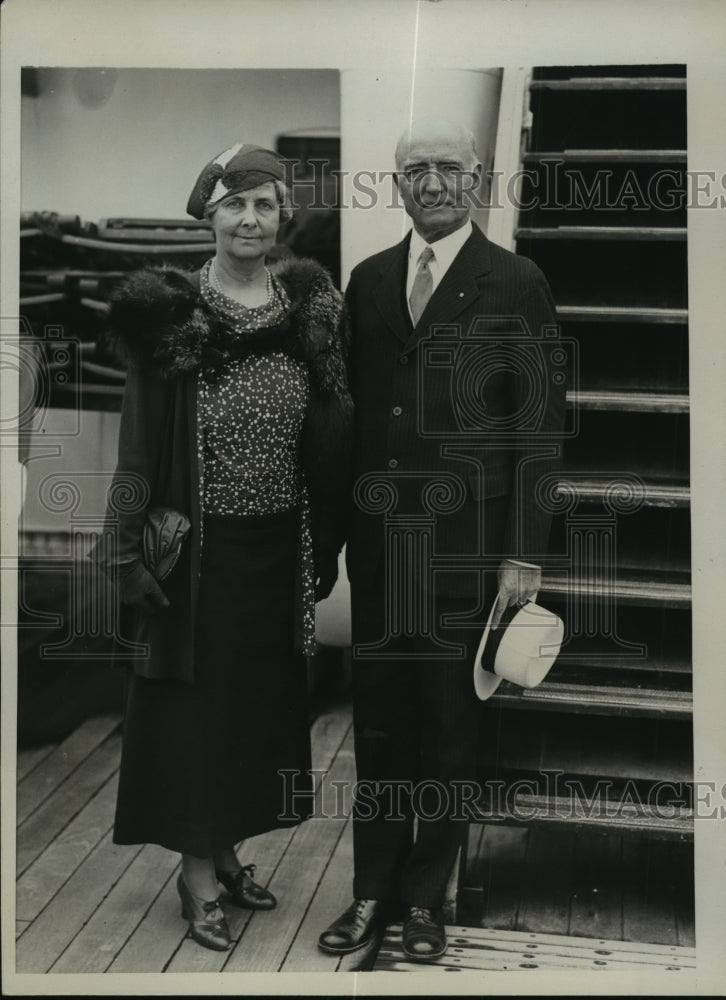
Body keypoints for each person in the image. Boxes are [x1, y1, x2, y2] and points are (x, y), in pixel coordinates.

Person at [318, 118, 566, 960]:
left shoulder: (515, 280)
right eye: (414, 169)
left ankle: (425, 902)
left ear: (476, 178)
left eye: (447, 169)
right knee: (380, 732)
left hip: (468, 555)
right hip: (385, 552)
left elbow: (538, 427)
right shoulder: (370, 279)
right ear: (397, 184)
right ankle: (370, 894)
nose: (430, 182)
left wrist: (524, 552)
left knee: (449, 737)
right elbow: (353, 416)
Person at [97, 142, 352, 951]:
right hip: (198, 558)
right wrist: (122, 550)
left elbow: (334, 425)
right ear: (209, 215)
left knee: (257, 712)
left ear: (283, 218)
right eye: (234, 204)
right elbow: (136, 448)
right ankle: (197, 875)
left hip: (281, 547)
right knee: (196, 716)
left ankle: (230, 849)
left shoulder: (308, 309)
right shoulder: (170, 316)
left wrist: (335, 534)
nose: (250, 219)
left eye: (265, 205)